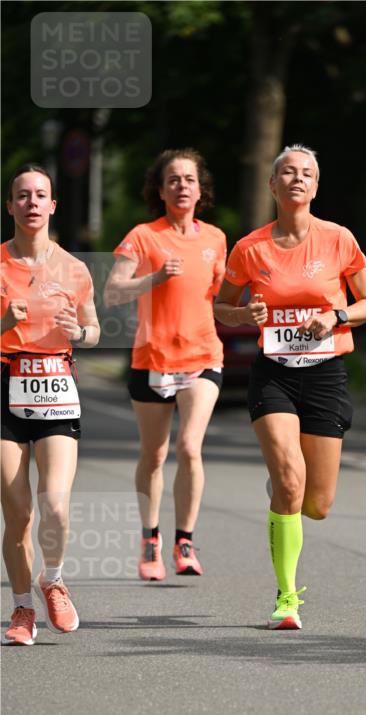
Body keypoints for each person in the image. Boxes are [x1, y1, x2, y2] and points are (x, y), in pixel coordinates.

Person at [215, 144, 366, 629]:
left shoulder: (338, 239)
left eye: (306, 173)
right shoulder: (250, 248)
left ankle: (284, 487)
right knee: (290, 477)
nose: (297, 179)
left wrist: (336, 316)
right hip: (275, 376)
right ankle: (287, 597)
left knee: (318, 505)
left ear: (316, 186)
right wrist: (244, 314)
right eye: (287, 172)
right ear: (272, 185)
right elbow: (220, 306)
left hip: (326, 374)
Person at [104, 149, 227, 580]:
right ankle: (150, 537)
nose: (182, 186)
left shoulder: (215, 239)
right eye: (173, 179)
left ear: (200, 189)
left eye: (189, 179)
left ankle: (185, 541)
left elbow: (218, 300)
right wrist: (154, 278)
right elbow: (113, 292)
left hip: (202, 356)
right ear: (160, 189)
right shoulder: (143, 236)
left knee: (189, 446)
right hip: (153, 358)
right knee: (153, 455)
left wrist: (249, 314)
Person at [1, 164, 100, 645]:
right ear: (10, 206)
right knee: (18, 514)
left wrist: (79, 333)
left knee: (55, 504)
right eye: (23, 195)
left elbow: (93, 329)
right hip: (6, 385)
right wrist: (3, 324)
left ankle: (53, 578)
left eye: (41, 195)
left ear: (53, 205)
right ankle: (22, 611)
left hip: (57, 383)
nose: (32, 203)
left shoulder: (74, 269)